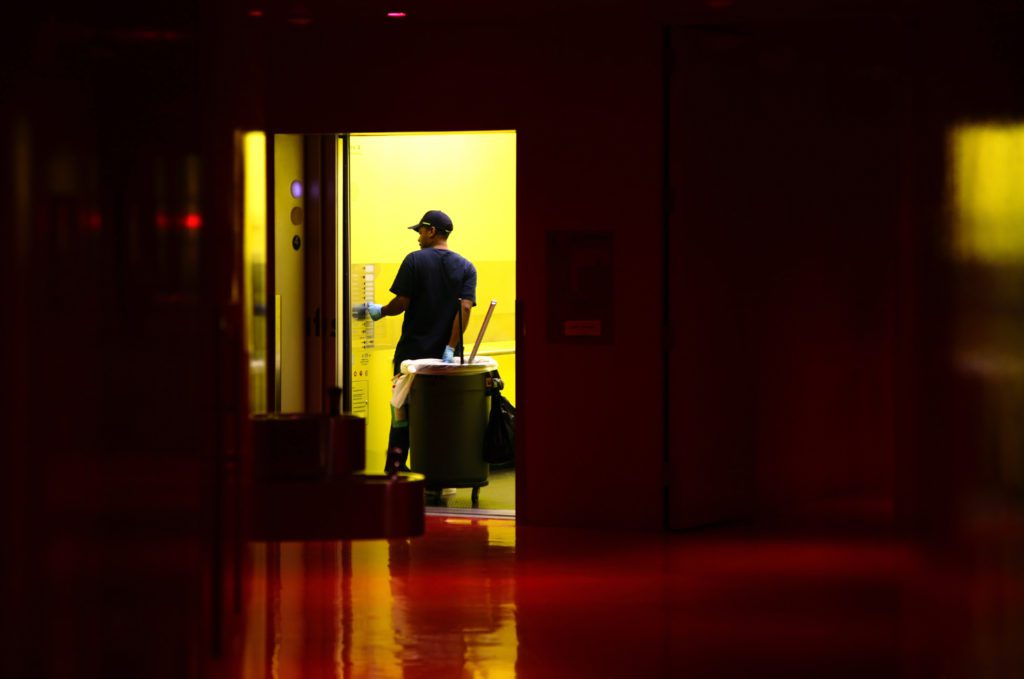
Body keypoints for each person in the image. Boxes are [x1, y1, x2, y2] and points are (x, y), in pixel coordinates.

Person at [366, 210, 477, 473]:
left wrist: (380, 310)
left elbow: (401, 303)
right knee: (441, 414)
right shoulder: (466, 267)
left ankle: (396, 470)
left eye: (420, 231)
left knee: (401, 414)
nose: (417, 237)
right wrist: (450, 347)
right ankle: (438, 469)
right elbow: (465, 309)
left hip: (411, 357)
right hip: (446, 361)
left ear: (431, 231)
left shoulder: (414, 261)